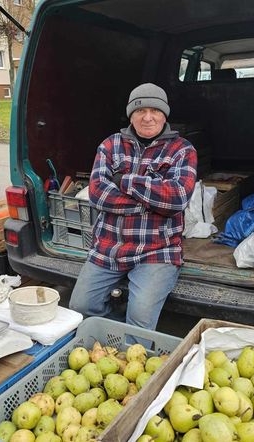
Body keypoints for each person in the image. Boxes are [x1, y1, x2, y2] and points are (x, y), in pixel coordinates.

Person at [69, 83, 198, 330]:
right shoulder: (110, 145)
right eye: (140, 111)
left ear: (165, 115)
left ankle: (133, 347)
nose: (147, 117)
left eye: (155, 111)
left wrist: (123, 180)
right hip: (109, 246)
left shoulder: (182, 150)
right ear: (131, 115)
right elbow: (98, 195)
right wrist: (150, 203)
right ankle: (115, 336)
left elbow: (176, 199)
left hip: (157, 250)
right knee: (80, 308)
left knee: (139, 319)